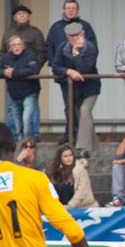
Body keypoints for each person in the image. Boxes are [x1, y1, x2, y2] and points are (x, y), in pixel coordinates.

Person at [51, 22, 101, 154]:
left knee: (85, 110)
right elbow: (56, 66)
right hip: (75, 90)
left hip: (91, 88)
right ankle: (94, 150)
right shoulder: (63, 47)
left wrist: (76, 54)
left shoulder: (90, 48)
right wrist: (69, 71)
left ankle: (82, 147)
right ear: (67, 36)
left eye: (77, 35)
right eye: (71, 36)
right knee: (84, 117)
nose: (74, 39)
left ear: (83, 34)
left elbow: (84, 69)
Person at [0, 35, 42, 141]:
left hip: (30, 92)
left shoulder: (30, 55)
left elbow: (34, 69)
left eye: (19, 44)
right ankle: (20, 145)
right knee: (17, 124)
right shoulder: (6, 57)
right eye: (14, 45)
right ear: (10, 47)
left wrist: (14, 72)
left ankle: (28, 143)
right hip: (14, 94)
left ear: (23, 45)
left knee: (27, 118)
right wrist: (4, 72)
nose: (16, 47)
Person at [47, 144, 96, 208]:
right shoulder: (56, 171)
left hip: (83, 207)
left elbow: (81, 191)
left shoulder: (80, 169)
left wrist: (70, 205)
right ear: (60, 158)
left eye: (70, 155)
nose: (68, 158)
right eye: (65, 156)